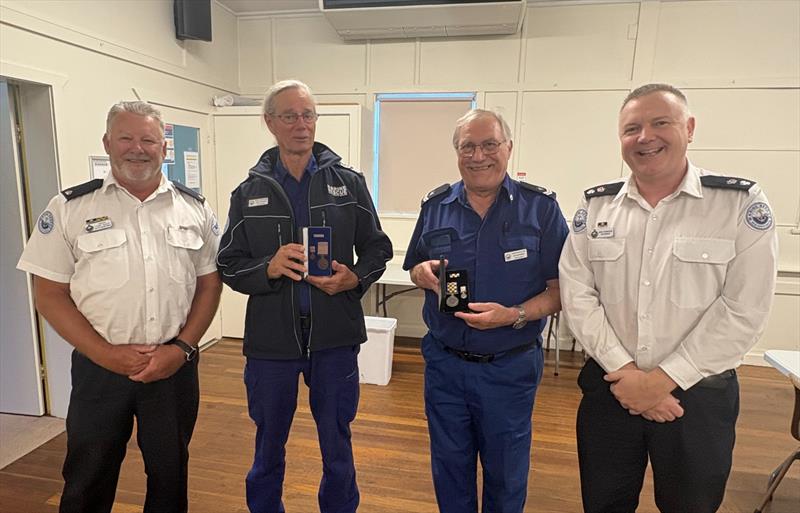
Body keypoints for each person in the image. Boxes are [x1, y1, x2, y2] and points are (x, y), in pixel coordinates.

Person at [559, 83, 779, 513]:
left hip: (697, 396)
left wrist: (660, 381)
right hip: (612, 388)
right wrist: (628, 374)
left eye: (661, 123)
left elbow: (744, 309)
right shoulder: (597, 206)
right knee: (603, 504)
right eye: (632, 128)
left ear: (689, 128)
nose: (645, 137)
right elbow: (578, 293)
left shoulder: (737, 203)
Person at [16, 101, 223, 513]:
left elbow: (209, 284)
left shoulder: (194, 208)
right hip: (100, 369)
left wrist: (181, 349)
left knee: (170, 475)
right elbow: (49, 294)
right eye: (126, 138)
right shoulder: (71, 208)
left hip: (173, 368)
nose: (137, 148)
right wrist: (104, 354)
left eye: (148, 139)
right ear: (107, 143)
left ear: (164, 147)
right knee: (88, 475)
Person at [216, 79, 392, 513]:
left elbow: (378, 248)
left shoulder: (348, 184)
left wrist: (354, 278)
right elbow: (229, 263)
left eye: (308, 115)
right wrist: (268, 267)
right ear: (270, 122)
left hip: (335, 340)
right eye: (290, 116)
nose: (301, 124)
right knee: (268, 446)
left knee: (337, 446)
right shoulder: (248, 193)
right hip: (270, 344)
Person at [403, 109, 568, 513]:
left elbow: (561, 292)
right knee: (449, 470)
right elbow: (415, 267)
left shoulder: (541, 209)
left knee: (506, 475)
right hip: (445, 366)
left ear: (508, 148)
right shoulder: (435, 206)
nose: (479, 156)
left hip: (509, 368)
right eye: (468, 147)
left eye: (489, 145)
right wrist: (421, 273)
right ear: (457, 153)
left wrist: (512, 315)